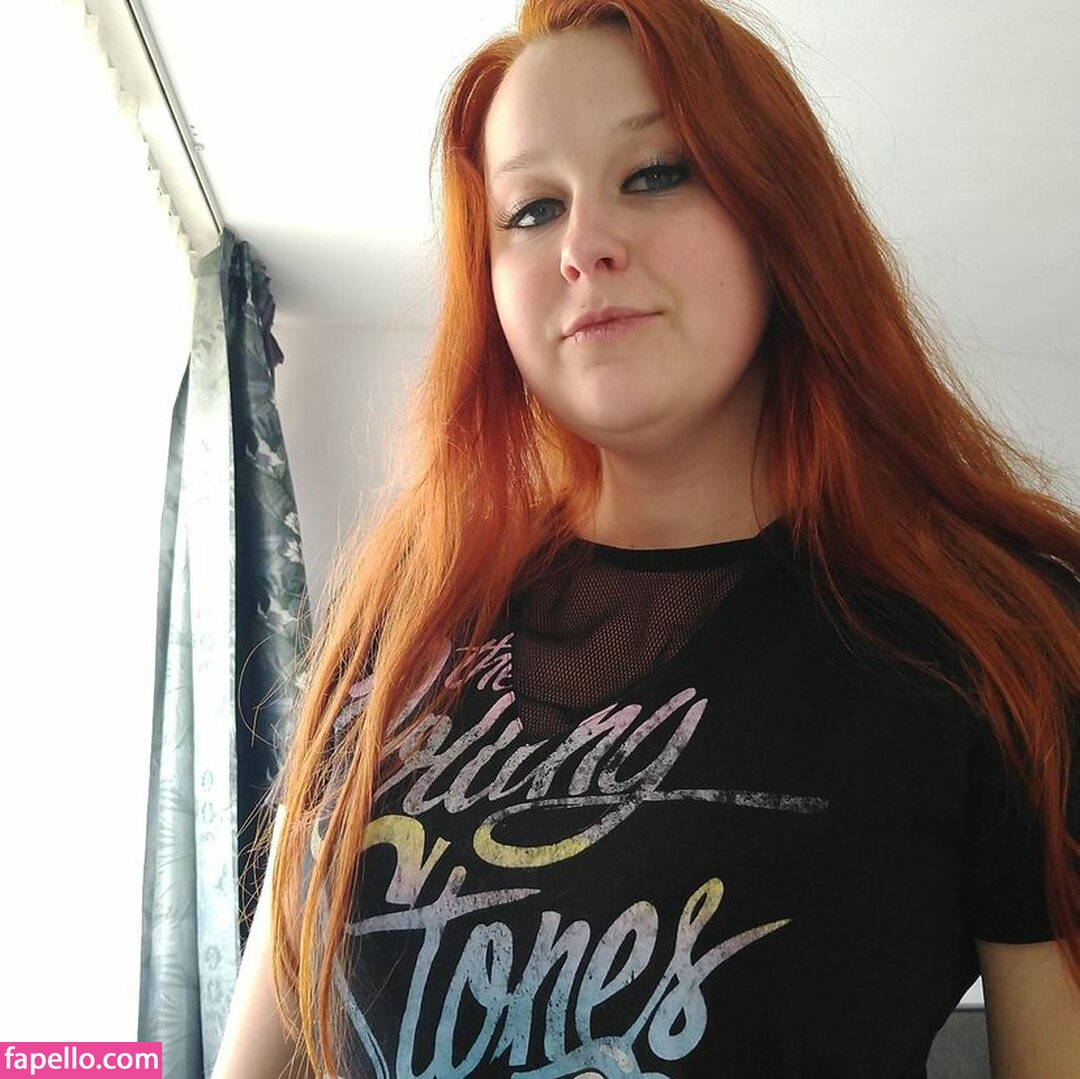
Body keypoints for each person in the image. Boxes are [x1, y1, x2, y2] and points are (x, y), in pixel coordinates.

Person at [212, 0, 1080, 1076]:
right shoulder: (404, 613)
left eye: (657, 173)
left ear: (779, 213)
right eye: (531, 209)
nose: (584, 246)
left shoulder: (1003, 646)